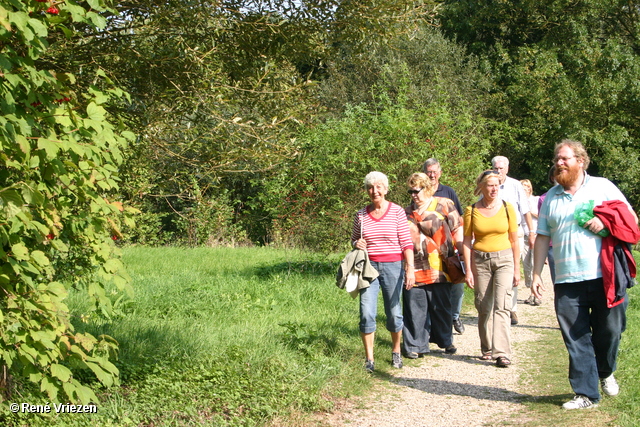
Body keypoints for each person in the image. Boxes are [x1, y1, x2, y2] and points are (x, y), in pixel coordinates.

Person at [532, 140, 639, 410]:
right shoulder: (551, 197)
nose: (559, 163)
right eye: (557, 158)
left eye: (565, 158)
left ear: (581, 161)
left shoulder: (603, 186)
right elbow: (542, 237)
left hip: (605, 276)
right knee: (576, 336)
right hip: (567, 279)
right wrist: (535, 274)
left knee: (610, 331)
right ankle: (586, 394)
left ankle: (605, 372)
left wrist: (605, 221)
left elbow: (630, 219)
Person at [351, 171, 415, 373]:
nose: (374, 191)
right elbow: (353, 239)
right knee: (366, 312)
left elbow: (406, 243)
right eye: (370, 187)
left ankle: (396, 351)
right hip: (369, 268)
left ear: (386, 189)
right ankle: (369, 359)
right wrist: (356, 243)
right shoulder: (360, 214)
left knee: (394, 313)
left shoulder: (396, 212)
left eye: (378, 187)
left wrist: (410, 269)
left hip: (394, 267)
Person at [463, 170, 520, 368]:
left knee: (502, 305)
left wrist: (516, 269)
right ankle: (487, 348)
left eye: (497, 185)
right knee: (483, 306)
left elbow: (514, 239)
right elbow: (467, 241)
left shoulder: (507, 208)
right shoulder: (471, 210)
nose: (494, 189)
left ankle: (502, 353)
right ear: (481, 187)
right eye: (490, 185)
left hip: (504, 259)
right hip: (480, 261)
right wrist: (468, 270)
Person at [403, 173, 463, 358]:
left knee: (441, 306)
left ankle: (445, 341)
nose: (413, 194)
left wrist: (461, 254)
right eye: (410, 191)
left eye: (416, 190)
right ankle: (415, 345)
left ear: (427, 188)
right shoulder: (405, 212)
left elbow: (457, 228)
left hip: (440, 265)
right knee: (415, 308)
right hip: (415, 266)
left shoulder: (444, 204)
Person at [423, 158, 466, 335]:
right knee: (434, 287)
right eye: (428, 171)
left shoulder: (449, 192)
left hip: (449, 248)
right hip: (428, 251)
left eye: (434, 171)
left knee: (457, 284)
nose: (432, 175)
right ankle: (435, 322)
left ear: (440, 173)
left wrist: (461, 248)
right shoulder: (419, 193)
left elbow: (460, 221)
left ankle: (454, 315)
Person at [491, 156, 534, 325]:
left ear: (507, 169)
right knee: (496, 269)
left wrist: (531, 231)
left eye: (501, 168)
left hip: (514, 231)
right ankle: (498, 307)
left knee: (514, 270)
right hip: (494, 233)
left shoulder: (515, 185)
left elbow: (525, 210)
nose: (498, 171)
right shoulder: (488, 184)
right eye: (496, 168)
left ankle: (512, 308)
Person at [520, 179, 541, 306]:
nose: (525, 188)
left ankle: (536, 294)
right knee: (526, 265)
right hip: (523, 236)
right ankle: (530, 290)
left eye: (527, 186)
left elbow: (542, 216)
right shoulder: (518, 201)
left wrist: (529, 212)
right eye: (523, 186)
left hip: (536, 235)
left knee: (535, 264)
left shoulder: (536, 200)